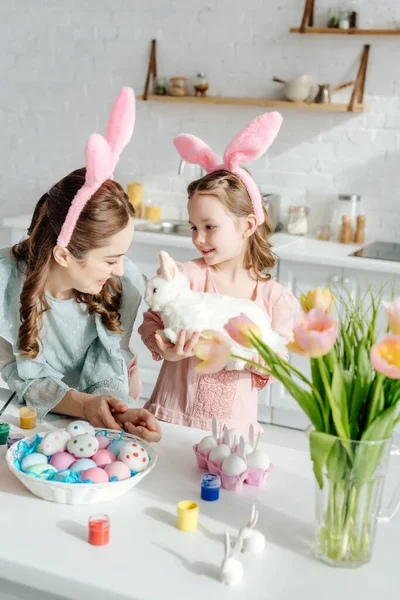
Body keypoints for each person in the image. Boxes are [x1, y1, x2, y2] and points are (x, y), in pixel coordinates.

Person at [0, 88, 161, 442]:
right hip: (26, 418)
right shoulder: (4, 282)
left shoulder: (123, 282)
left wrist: (117, 408)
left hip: (88, 425)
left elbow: (107, 368)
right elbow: (20, 374)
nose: (121, 269)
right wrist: (84, 405)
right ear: (63, 255)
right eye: (111, 259)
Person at [139, 112, 299, 434]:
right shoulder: (185, 278)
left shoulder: (273, 299)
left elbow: (278, 362)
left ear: (247, 225)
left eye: (210, 227)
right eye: (194, 227)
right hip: (171, 418)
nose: (199, 238)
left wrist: (259, 358)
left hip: (232, 430)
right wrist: (164, 348)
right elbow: (151, 323)